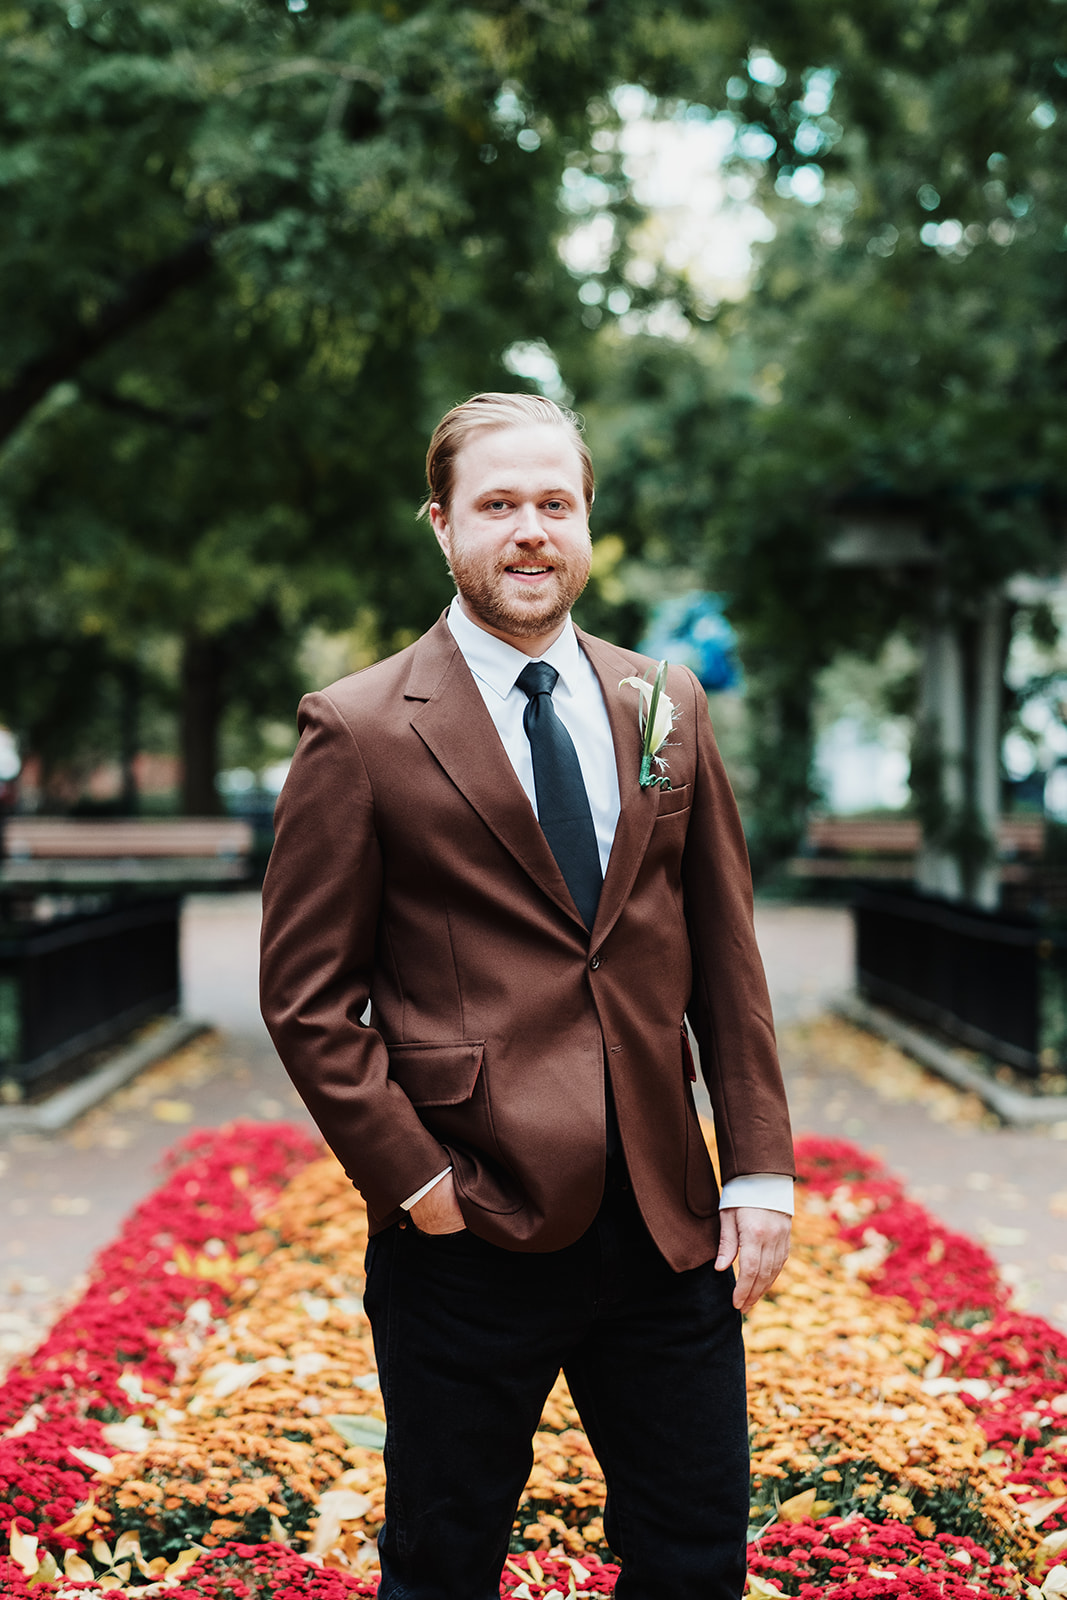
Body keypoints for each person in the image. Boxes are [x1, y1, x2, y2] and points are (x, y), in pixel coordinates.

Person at [260, 392, 794, 1600]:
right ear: (439, 523)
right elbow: (304, 998)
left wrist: (757, 1165)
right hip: (470, 1223)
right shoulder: (356, 728)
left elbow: (725, 951)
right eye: (497, 504)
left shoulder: (664, 702)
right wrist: (420, 1184)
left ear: (588, 518)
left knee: (696, 1552)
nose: (528, 530)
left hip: (667, 1222)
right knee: (443, 1565)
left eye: (554, 503)